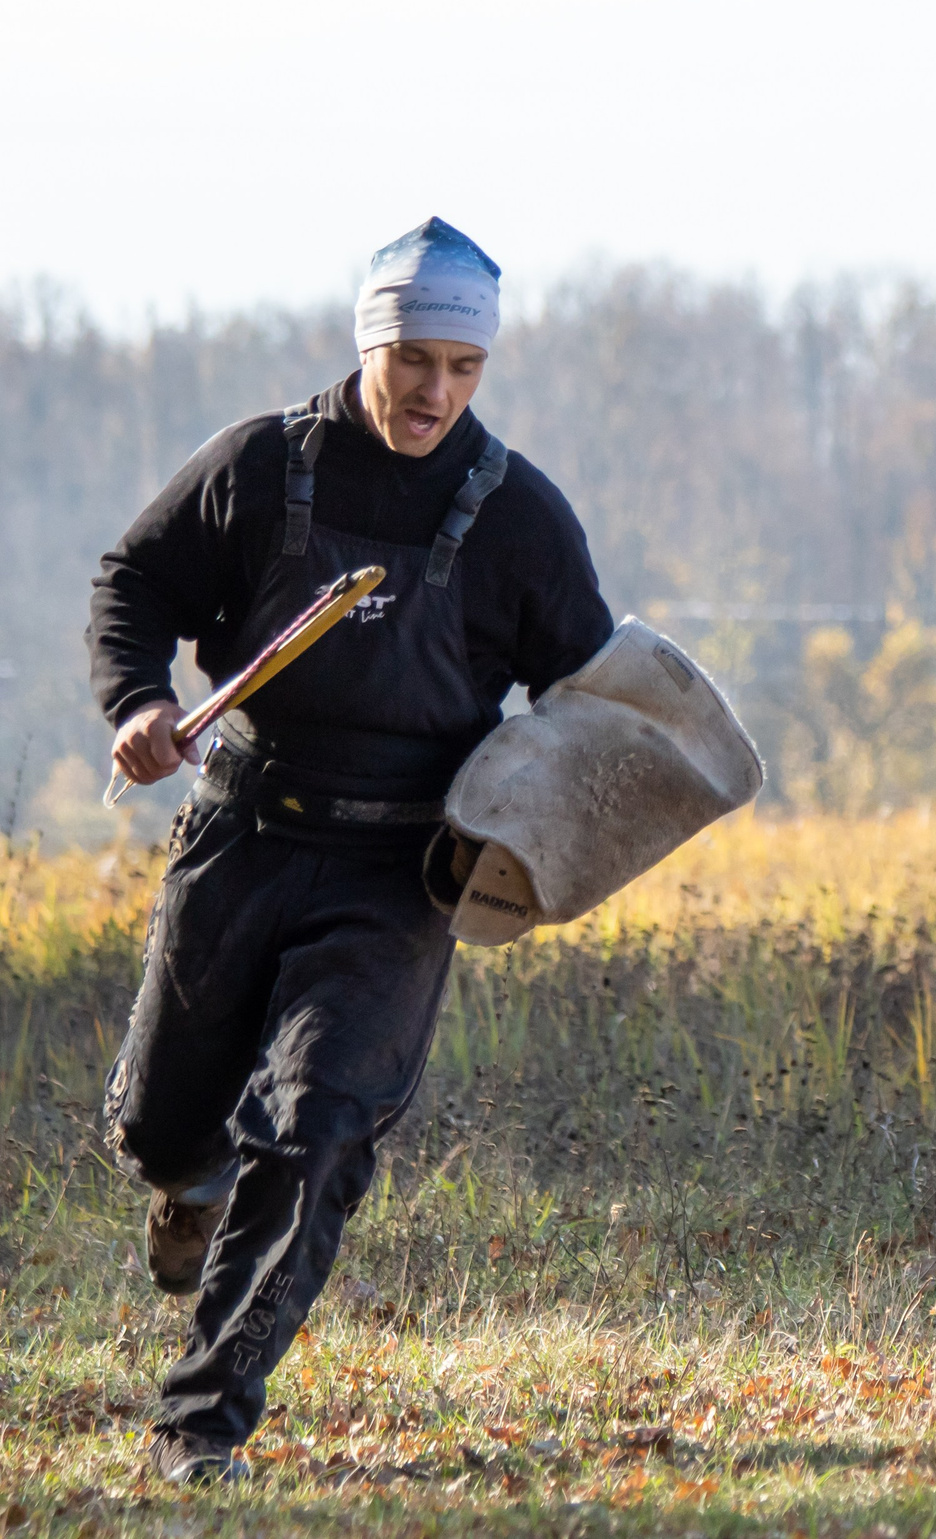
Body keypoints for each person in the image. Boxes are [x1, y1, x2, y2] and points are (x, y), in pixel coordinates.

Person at [87, 218, 612, 1483]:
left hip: (400, 876)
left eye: (465, 369)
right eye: (415, 360)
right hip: (244, 835)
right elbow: (132, 583)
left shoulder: (522, 519)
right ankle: (185, 1179)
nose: (437, 393)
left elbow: (586, 705)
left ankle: (200, 1423)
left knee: (317, 1133)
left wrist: (535, 836)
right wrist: (140, 705)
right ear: (370, 339)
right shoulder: (261, 467)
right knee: (165, 1127)